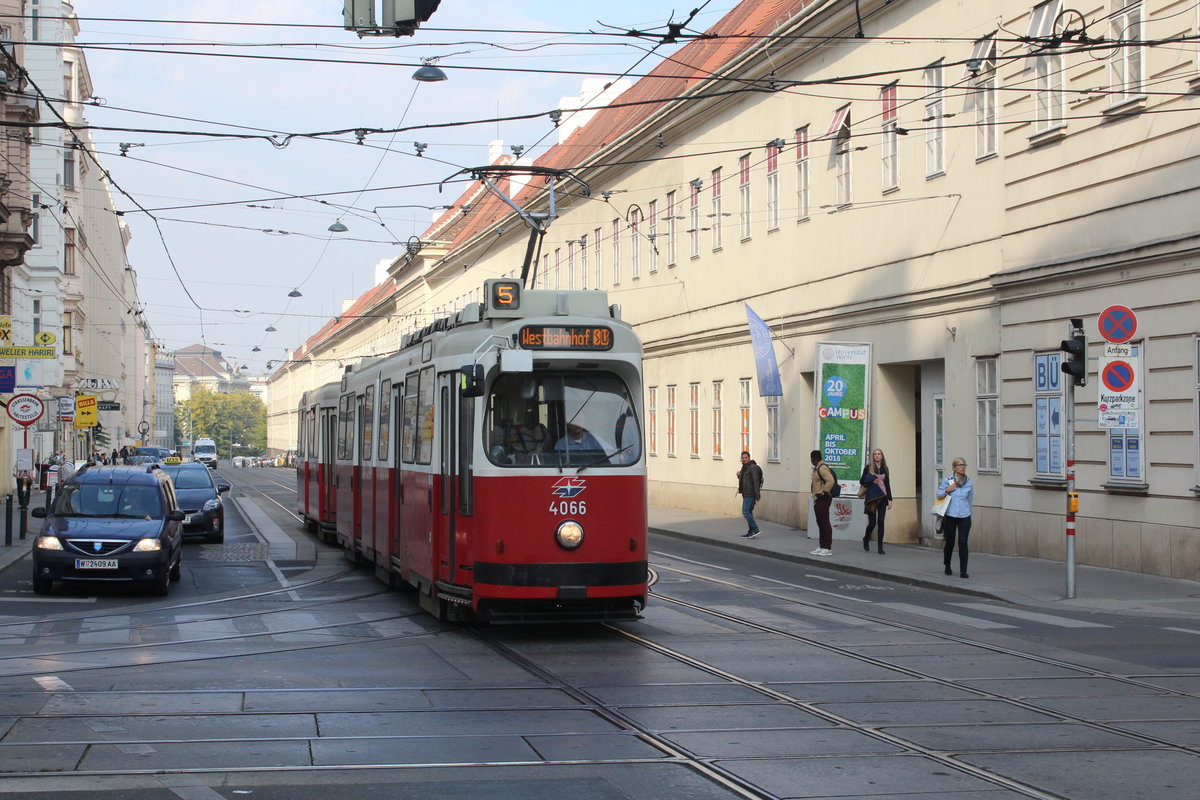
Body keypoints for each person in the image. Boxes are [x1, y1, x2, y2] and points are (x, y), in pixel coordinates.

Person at [937, 457, 974, 578]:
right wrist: (947, 490)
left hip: (964, 515)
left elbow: (970, 500)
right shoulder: (947, 481)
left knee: (963, 542)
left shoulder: (969, 482)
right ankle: (947, 565)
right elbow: (939, 495)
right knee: (950, 542)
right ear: (954, 468)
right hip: (950, 515)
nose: (962, 467)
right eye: (959, 465)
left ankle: (964, 570)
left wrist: (970, 515)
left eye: (964, 465)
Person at [859, 448, 893, 554]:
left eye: (879, 454)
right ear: (873, 456)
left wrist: (890, 499)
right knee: (872, 523)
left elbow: (887, 484)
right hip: (872, 498)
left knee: (881, 522)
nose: (877, 456)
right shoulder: (868, 468)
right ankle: (866, 538)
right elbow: (861, 481)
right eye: (875, 454)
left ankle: (880, 547)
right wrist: (871, 480)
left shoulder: (885, 468)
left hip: (883, 497)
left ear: (882, 456)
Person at [809, 450, 835, 556]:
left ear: (813, 459)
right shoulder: (817, 468)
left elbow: (831, 481)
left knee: (824, 523)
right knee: (820, 523)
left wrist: (824, 491)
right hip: (818, 499)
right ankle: (822, 546)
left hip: (823, 498)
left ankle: (827, 547)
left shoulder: (822, 468)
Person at [736, 451, 763, 538]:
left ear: (749, 458)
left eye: (745, 458)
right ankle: (751, 532)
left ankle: (755, 529)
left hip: (750, 493)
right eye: (742, 458)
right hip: (745, 493)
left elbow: (755, 481)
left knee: (745, 511)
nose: (743, 459)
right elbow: (746, 479)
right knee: (749, 512)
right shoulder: (745, 467)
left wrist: (757, 494)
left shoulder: (752, 467)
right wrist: (739, 475)